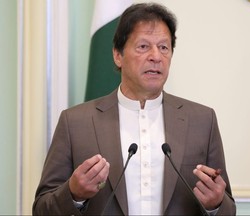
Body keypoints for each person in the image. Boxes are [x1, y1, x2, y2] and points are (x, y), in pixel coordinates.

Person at [33, 2, 236, 215]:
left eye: (164, 47)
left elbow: (228, 208)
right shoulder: (75, 123)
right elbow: (41, 209)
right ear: (118, 55)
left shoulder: (202, 121)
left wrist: (215, 205)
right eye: (143, 46)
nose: (156, 56)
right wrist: (73, 194)